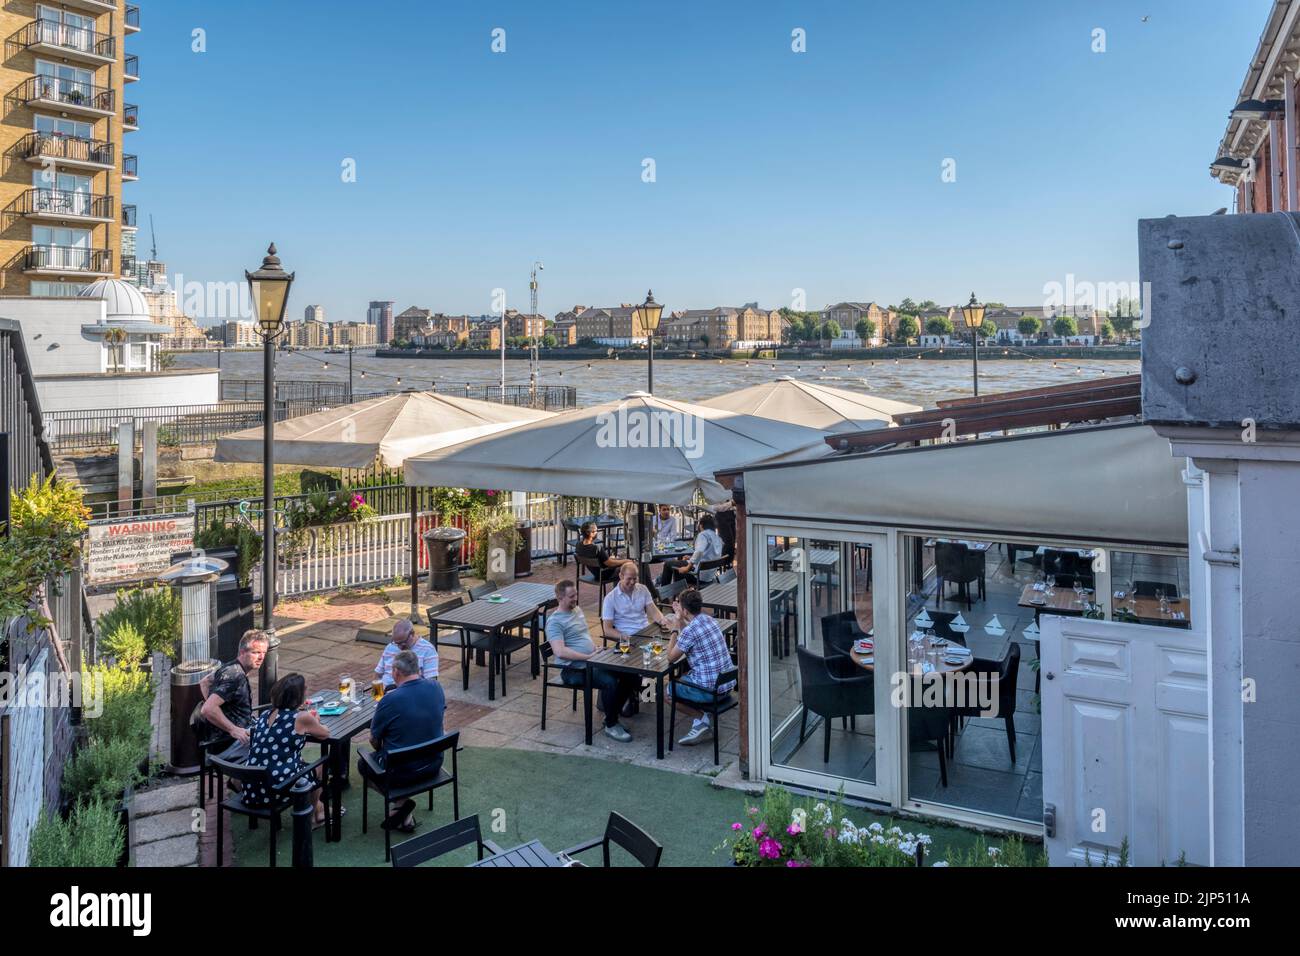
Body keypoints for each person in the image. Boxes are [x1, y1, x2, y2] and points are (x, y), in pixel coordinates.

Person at [545, 580, 641, 743]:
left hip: (592, 660)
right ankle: (611, 725)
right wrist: (587, 657)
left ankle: (612, 716)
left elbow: (582, 637)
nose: (575, 598)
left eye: (576, 594)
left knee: (631, 673)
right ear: (559, 597)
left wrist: (595, 650)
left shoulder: (576, 610)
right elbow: (560, 651)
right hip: (573, 669)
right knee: (610, 681)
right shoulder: (554, 622)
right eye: (571, 596)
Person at [361, 649, 447, 832]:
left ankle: (402, 802)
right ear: (418, 668)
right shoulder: (436, 687)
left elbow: (374, 742)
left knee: (364, 764)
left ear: (395, 673)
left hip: (402, 773)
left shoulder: (389, 700)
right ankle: (403, 813)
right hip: (433, 764)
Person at [242, 673, 332, 827]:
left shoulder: (265, 714)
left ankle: (318, 808)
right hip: (276, 789)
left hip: (252, 788)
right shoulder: (301, 717)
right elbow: (325, 734)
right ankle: (313, 815)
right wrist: (315, 720)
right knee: (322, 765)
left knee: (298, 763)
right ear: (298, 696)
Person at [666, 588, 736, 746]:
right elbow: (691, 634)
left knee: (667, 691)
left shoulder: (689, 631)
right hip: (726, 685)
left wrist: (675, 628)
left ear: (684, 610)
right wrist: (682, 618)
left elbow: (670, 657)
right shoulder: (709, 619)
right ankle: (702, 720)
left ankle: (701, 718)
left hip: (711, 692)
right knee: (685, 676)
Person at [196, 629, 269, 756]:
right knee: (278, 745)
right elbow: (207, 709)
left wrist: (222, 710)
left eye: (263, 652)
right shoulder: (235, 676)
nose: (261, 657)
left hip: (230, 736)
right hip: (228, 743)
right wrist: (233, 729)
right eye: (256, 652)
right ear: (242, 652)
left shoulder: (229, 667)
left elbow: (205, 682)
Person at [601, 561, 669, 645]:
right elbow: (607, 630)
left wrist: (662, 621)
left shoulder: (643, 589)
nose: (632, 582)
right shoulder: (610, 598)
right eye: (629, 578)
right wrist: (624, 637)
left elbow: (653, 611)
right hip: (629, 636)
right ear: (621, 576)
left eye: (635, 578)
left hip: (646, 632)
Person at [660, 513, 724, 587]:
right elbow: (709, 555)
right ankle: (679, 592)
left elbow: (699, 551)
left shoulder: (703, 535)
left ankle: (665, 596)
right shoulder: (717, 538)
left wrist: (687, 568)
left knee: (668, 565)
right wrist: (691, 558)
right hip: (709, 576)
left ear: (701, 525)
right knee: (678, 565)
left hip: (698, 576)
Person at [374, 617, 438, 687]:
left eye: (403, 642)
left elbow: (431, 683)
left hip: (409, 693)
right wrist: (377, 693)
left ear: (412, 634)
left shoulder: (427, 649)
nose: (400, 647)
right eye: (397, 643)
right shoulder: (391, 646)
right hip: (385, 692)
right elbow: (378, 674)